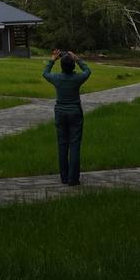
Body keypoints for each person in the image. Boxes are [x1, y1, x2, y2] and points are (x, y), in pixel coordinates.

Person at [43, 49, 92, 185]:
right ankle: (73, 178)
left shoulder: (57, 78)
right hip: (75, 112)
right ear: (73, 66)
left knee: (62, 145)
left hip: (60, 112)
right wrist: (78, 59)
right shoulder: (77, 78)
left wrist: (52, 60)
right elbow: (88, 71)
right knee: (75, 145)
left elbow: (45, 73)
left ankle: (64, 177)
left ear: (62, 67)